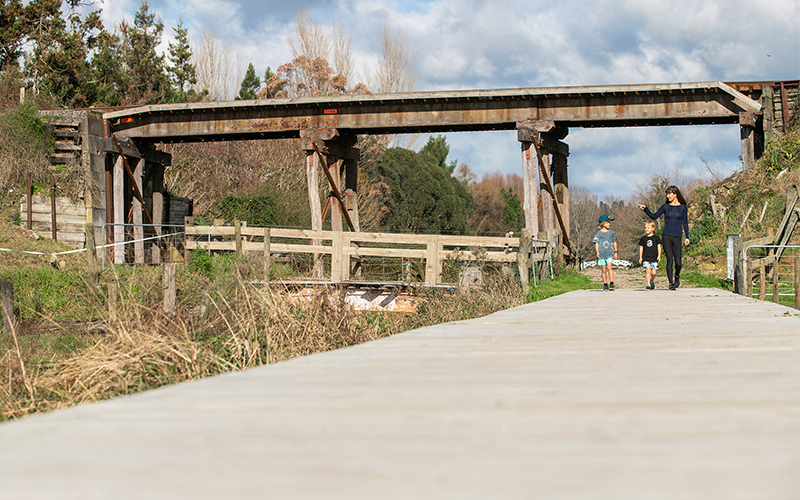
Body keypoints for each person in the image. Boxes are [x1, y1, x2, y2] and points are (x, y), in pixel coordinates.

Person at [637, 185, 689, 290]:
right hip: (666, 236)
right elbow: (654, 216)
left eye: (670, 194)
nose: (668, 196)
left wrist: (687, 236)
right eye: (667, 194)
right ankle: (671, 283)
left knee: (678, 262)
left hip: (677, 236)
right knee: (670, 260)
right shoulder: (665, 207)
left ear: (675, 194)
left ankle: (677, 277)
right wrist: (646, 209)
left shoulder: (683, 207)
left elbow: (685, 222)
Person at [593, 215, 618, 291]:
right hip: (602, 254)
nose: (609, 224)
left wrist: (615, 252)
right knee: (603, 270)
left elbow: (614, 242)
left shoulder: (611, 233)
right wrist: (597, 252)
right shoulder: (598, 234)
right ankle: (605, 284)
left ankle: (611, 283)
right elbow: (596, 243)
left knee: (610, 268)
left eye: (609, 222)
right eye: (607, 222)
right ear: (602, 223)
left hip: (609, 253)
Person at [638, 220, 662, 290]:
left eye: (648, 228)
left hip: (654, 257)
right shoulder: (643, 239)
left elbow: (659, 247)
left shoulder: (656, 238)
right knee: (648, 271)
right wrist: (640, 257)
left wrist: (659, 256)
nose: (646, 229)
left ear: (653, 229)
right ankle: (648, 284)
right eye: (645, 228)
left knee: (654, 272)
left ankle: (651, 280)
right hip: (646, 257)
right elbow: (641, 248)